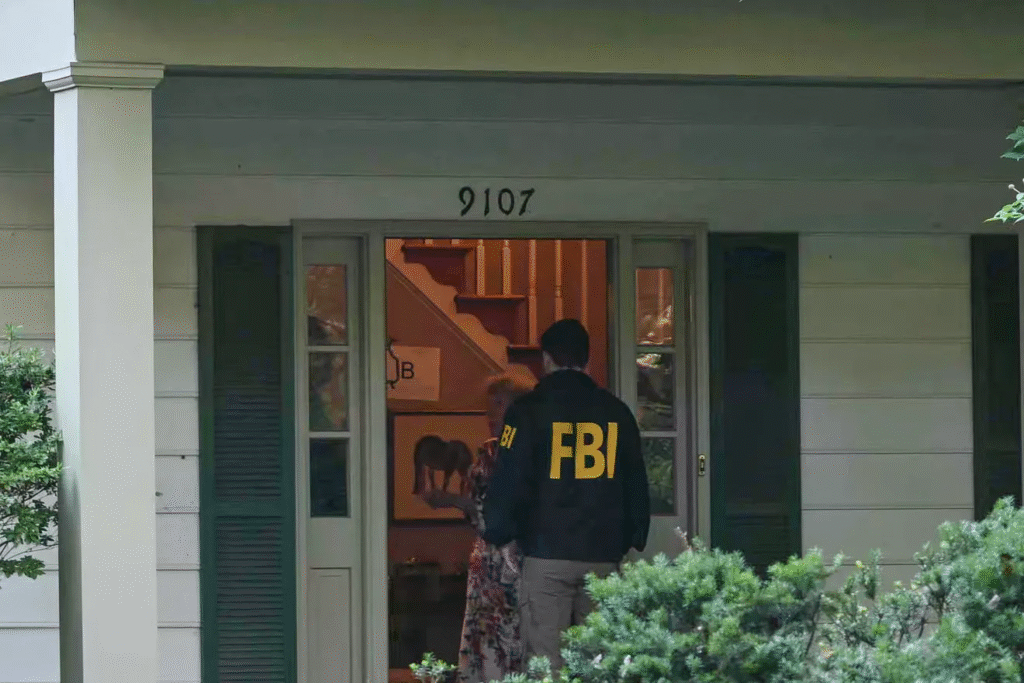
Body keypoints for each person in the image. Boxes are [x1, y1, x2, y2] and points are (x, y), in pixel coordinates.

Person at [481, 319, 651, 673]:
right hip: (602, 552)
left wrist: (501, 531)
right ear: (588, 360)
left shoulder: (526, 412)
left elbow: (510, 478)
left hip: (546, 552)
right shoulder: (616, 412)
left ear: (546, 359)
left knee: (547, 664)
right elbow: (635, 478)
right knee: (600, 663)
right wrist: (632, 535)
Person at [419, 369, 536, 683]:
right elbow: (478, 510)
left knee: (514, 640)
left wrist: (456, 502)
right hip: (486, 561)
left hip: (517, 560)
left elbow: (508, 511)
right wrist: (456, 502)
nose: (490, 413)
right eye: (489, 404)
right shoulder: (488, 452)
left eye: (499, 404)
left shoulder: (531, 452)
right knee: (484, 640)